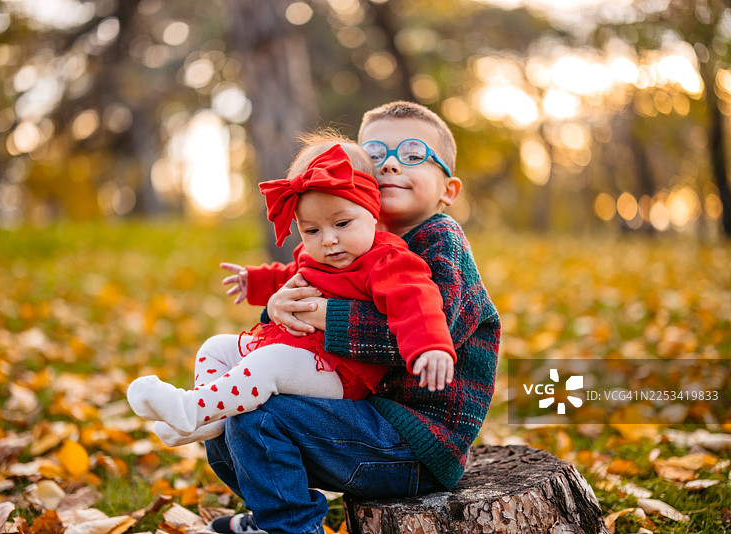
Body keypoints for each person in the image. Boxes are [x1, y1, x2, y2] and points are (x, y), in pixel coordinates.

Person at [202, 101, 501, 534]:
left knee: (259, 416)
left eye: (413, 154)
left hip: (416, 441)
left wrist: (319, 313)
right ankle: (275, 513)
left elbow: (424, 333)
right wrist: (277, 305)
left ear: (448, 190)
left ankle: (291, 527)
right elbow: (302, 282)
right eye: (375, 154)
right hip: (360, 415)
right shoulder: (351, 240)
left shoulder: (440, 240)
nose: (390, 165)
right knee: (226, 409)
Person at [126, 137, 457, 444]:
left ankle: (190, 410)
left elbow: (417, 302)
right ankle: (210, 416)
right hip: (296, 353)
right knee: (216, 348)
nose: (329, 240)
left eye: (342, 224)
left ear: (373, 212)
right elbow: (289, 277)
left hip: (340, 373)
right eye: (312, 230)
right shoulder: (314, 256)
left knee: (269, 363)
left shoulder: (386, 259)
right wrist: (254, 282)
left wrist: (431, 346)